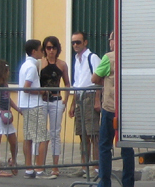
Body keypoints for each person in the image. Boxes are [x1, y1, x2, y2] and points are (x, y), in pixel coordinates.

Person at [85, 33, 134, 187]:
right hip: (126, 107)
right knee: (127, 146)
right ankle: (129, 186)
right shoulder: (130, 56)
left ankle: (104, 185)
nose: (110, 43)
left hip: (110, 107)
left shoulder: (108, 57)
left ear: (115, 41)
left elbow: (94, 78)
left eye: (111, 39)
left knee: (105, 145)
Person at [37, 36, 71, 178]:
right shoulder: (40, 64)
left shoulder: (62, 65)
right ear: (44, 49)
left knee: (55, 133)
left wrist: (66, 100)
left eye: (53, 48)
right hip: (43, 101)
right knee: (41, 133)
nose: (51, 51)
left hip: (56, 100)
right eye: (48, 48)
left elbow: (67, 83)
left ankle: (55, 166)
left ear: (57, 49)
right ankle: (39, 165)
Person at [68, 31, 100, 177]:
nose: (75, 45)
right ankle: (84, 166)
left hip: (90, 96)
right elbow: (76, 83)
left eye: (78, 42)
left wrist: (97, 100)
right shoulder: (77, 59)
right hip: (80, 97)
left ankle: (96, 167)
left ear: (85, 42)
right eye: (73, 42)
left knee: (93, 134)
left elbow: (100, 79)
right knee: (82, 134)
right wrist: (72, 104)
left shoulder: (92, 58)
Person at [18, 39, 45, 179]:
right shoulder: (31, 67)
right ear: (34, 52)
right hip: (34, 104)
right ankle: (39, 169)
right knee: (41, 138)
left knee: (28, 138)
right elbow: (26, 88)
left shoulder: (25, 65)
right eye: (41, 49)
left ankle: (29, 169)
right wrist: (41, 92)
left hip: (26, 105)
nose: (42, 52)